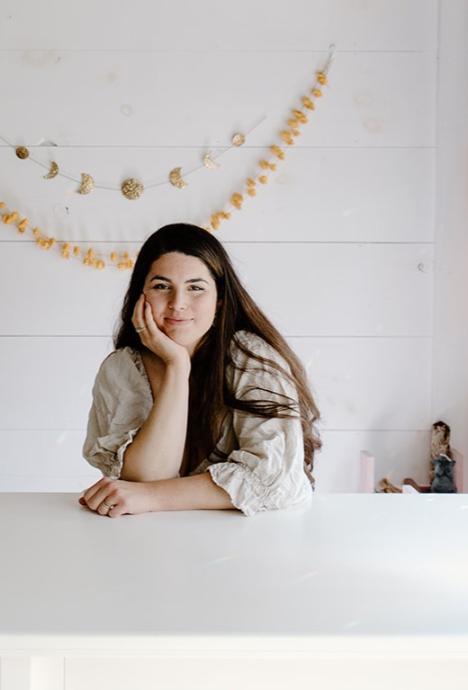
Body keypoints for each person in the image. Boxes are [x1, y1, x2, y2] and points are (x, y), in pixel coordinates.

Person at [80, 222, 320, 517]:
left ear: (219, 300)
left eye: (195, 288)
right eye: (161, 286)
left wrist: (153, 497)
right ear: (141, 295)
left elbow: (273, 480)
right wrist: (177, 366)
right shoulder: (123, 368)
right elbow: (144, 480)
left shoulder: (250, 357)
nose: (177, 303)